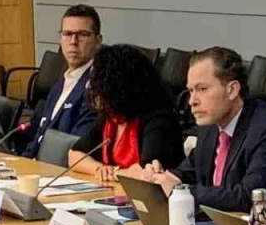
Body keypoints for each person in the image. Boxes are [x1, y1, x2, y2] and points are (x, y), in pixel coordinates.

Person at [133, 46, 266, 212]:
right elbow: (190, 170)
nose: (192, 101)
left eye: (202, 89)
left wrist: (181, 191)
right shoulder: (210, 125)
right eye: (191, 90)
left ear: (232, 90)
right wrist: (161, 177)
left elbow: (248, 197)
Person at [67, 44, 183, 181]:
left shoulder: (159, 118)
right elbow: (74, 155)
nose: (95, 91)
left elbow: (147, 173)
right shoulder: (112, 116)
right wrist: (99, 168)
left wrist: (114, 173)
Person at [18, 5, 102, 159]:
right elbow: (38, 135)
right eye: (67, 34)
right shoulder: (60, 83)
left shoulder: (97, 87)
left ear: (97, 41)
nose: (73, 41)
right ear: (60, 39)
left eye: (82, 34)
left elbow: (76, 146)